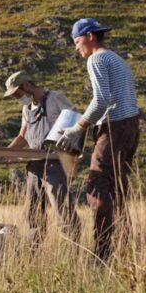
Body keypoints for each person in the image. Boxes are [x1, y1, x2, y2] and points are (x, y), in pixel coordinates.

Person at [57, 18, 140, 262]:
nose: (76, 47)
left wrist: (77, 128)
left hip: (113, 126)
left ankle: (102, 252)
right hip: (130, 126)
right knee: (117, 189)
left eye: (77, 41)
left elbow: (102, 100)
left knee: (98, 188)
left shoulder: (96, 59)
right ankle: (124, 249)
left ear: (90, 36)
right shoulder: (117, 59)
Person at [3, 70, 81, 246]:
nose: (17, 98)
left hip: (55, 163)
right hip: (33, 166)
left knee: (63, 208)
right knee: (33, 213)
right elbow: (23, 136)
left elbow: (75, 121)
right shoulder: (27, 108)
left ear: (27, 85)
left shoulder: (55, 98)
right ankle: (33, 251)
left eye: (17, 94)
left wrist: (69, 151)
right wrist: (6, 153)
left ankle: (73, 249)